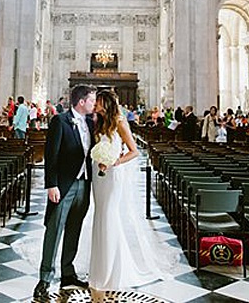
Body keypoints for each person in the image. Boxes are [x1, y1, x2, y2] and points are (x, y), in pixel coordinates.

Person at [89, 89, 159, 290]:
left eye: (99, 101)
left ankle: (113, 270)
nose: (95, 104)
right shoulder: (99, 121)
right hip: (98, 174)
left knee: (110, 216)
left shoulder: (119, 121)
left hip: (112, 175)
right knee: (100, 215)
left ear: (107, 103)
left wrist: (114, 162)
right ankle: (99, 268)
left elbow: (134, 151)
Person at [34, 85, 96, 299]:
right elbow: (51, 155)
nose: (94, 105)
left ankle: (68, 273)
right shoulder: (60, 121)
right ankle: (44, 279)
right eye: (91, 101)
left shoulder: (90, 123)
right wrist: (52, 184)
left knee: (74, 229)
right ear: (81, 102)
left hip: (84, 185)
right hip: (63, 186)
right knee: (54, 230)